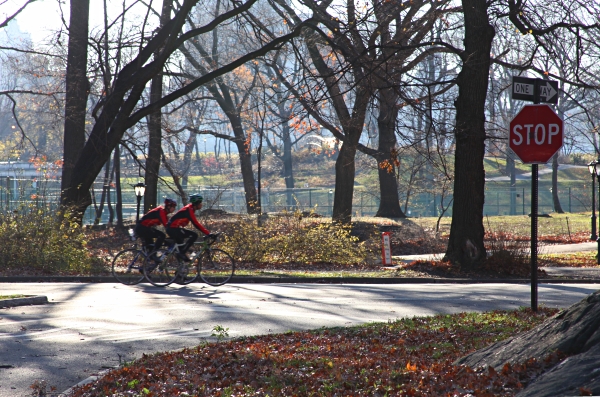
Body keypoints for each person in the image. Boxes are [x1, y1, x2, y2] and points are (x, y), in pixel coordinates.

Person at [166, 193, 211, 262]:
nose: (202, 204)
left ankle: (181, 269)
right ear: (197, 203)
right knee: (194, 235)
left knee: (182, 249)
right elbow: (196, 224)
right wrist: (208, 233)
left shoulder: (190, 208)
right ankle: (182, 253)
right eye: (200, 203)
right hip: (173, 229)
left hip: (173, 228)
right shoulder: (189, 210)